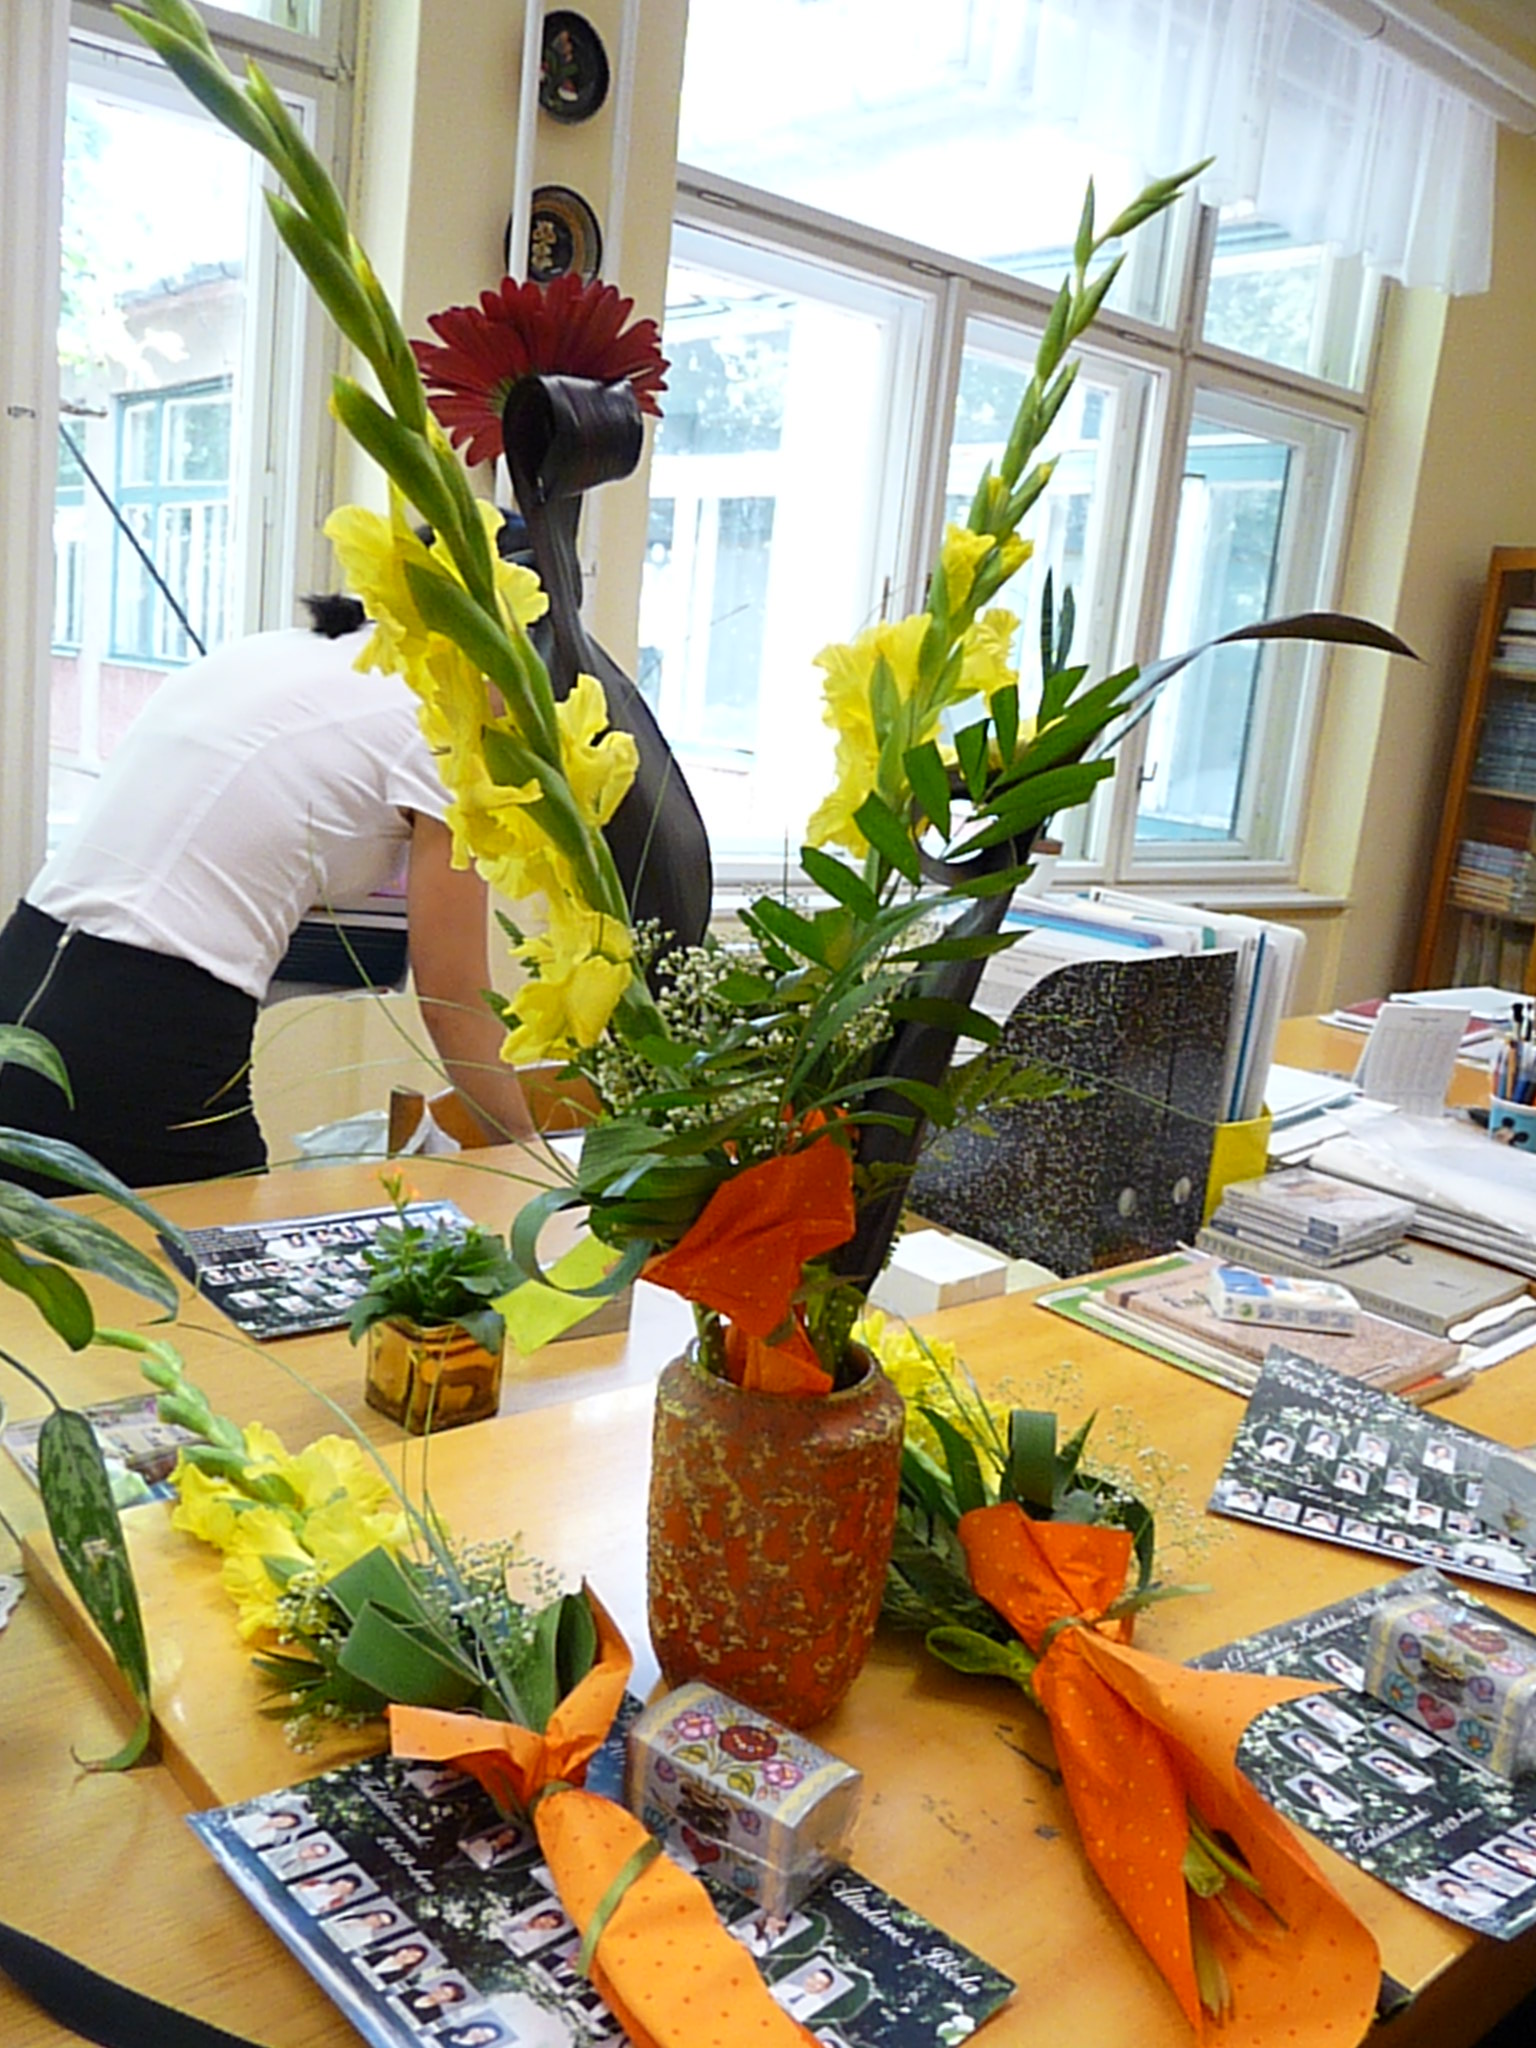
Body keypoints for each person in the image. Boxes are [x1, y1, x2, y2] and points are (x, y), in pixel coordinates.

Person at [0, 596, 533, 1190]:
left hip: (25, 966)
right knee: (224, 1237)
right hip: (147, 1021)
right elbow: (455, 1001)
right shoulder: (446, 718)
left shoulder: (283, 654)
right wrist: (534, 1162)